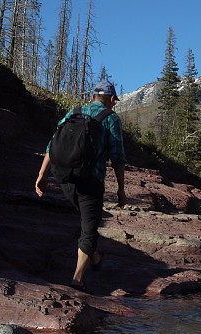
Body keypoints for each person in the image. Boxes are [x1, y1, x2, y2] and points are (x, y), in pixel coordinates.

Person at [34, 79, 127, 289]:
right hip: (90, 180)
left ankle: (94, 257)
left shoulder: (73, 112)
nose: (114, 105)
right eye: (114, 101)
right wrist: (121, 189)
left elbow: (52, 145)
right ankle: (77, 280)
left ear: (92, 96)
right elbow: (118, 157)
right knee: (89, 229)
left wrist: (42, 174)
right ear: (111, 99)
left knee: (88, 222)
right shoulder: (110, 118)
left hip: (64, 177)